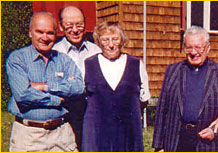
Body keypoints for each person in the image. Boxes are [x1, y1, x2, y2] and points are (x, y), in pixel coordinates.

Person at [152, 26, 218, 152]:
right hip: (175, 142)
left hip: (207, 144)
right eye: (189, 47)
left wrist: (215, 132)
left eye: (198, 47)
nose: (193, 52)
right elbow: (162, 109)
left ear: (208, 48)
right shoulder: (173, 71)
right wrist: (159, 146)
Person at [6, 11, 84, 152]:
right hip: (29, 135)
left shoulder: (64, 60)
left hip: (62, 134)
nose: (45, 37)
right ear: (30, 33)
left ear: (56, 34)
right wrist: (58, 100)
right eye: (39, 32)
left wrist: (45, 87)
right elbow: (23, 95)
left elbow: (78, 87)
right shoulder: (17, 59)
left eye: (50, 33)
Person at [82, 21, 150, 152]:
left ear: (122, 40)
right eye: (105, 40)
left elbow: (144, 98)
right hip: (97, 132)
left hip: (128, 132)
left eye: (115, 39)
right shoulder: (88, 64)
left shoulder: (136, 64)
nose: (111, 45)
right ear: (98, 41)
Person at [52, 6, 101, 150]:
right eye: (69, 26)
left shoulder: (96, 51)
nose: (75, 30)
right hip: (64, 114)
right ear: (61, 27)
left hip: (91, 113)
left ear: (85, 24)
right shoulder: (54, 52)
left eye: (79, 25)